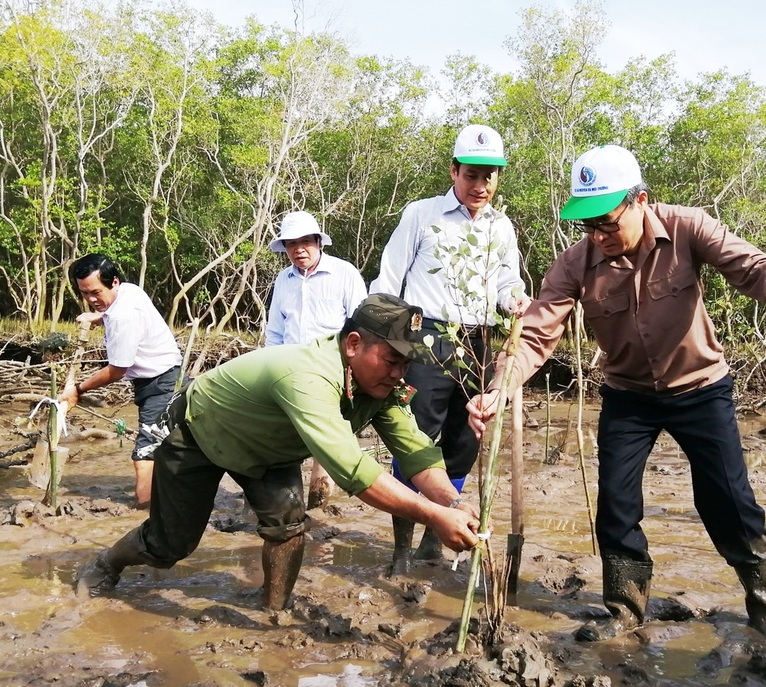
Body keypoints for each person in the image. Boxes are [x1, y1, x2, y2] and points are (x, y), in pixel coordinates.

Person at [467, 145, 766, 641]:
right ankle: (626, 609)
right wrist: (501, 386)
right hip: (628, 394)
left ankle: (761, 602)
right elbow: (534, 334)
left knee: (726, 498)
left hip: (700, 388)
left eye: (607, 222)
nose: (599, 235)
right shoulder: (577, 263)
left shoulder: (687, 227)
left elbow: (755, 268)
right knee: (616, 500)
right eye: (588, 225)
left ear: (640, 200)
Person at [74, 294, 481, 609]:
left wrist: (452, 502)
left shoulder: (382, 386)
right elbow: (354, 471)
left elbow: (416, 453)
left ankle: (275, 611)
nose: (399, 374)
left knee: (288, 528)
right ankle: (107, 563)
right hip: (203, 431)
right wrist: (433, 515)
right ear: (354, 344)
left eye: (406, 365)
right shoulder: (308, 377)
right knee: (169, 547)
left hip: (268, 451)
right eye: (392, 360)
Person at [370, 124, 529, 573]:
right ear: (454, 170)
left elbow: (506, 281)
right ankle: (401, 548)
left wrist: (514, 298)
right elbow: (388, 279)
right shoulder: (421, 214)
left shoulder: (502, 226)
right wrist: (384, 336)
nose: (480, 186)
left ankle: (433, 540)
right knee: (415, 439)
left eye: (490, 177)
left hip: (478, 340)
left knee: (464, 442)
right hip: (424, 337)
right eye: (472, 175)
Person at [60, 254, 182, 509]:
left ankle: (144, 511)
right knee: (171, 445)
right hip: (165, 376)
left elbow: (117, 370)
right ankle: (167, 499)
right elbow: (111, 309)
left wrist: (78, 389)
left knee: (145, 453)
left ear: (113, 282)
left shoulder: (122, 317)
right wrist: (98, 316)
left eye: (96, 292)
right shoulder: (128, 291)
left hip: (161, 383)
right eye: (84, 293)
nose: (91, 300)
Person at [266, 210, 367, 510]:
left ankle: (320, 509)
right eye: (290, 243)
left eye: (305, 241)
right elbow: (274, 331)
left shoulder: (344, 273)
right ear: (284, 248)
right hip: (289, 370)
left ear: (318, 242)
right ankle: (291, 507)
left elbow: (360, 324)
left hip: (331, 369)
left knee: (326, 442)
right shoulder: (283, 280)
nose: (298, 249)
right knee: (287, 441)